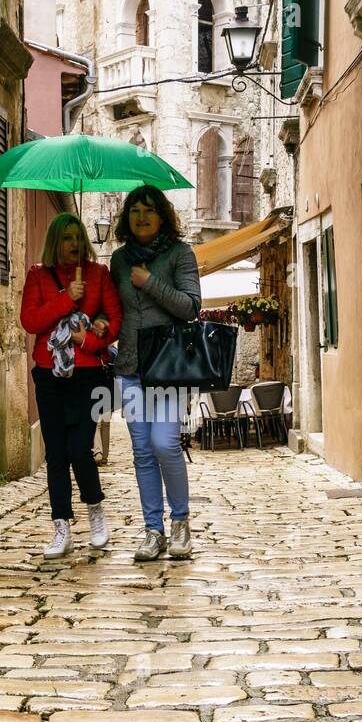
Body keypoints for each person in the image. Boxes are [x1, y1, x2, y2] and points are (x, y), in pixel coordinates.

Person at [21, 213, 122, 559]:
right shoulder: (37, 275)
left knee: (80, 448)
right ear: (55, 242)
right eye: (66, 238)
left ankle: (95, 508)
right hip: (49, 374)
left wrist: (88, 339)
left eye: (78, 238)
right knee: (56, 454)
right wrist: (66, 299)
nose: (74, 245)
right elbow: (30, 320)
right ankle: (61, 526)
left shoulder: (99, 274)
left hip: (88, 373)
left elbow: (113, 320)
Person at [110, 185, 201, 561]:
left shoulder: (181, 254)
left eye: (149, 210)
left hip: (168, 367)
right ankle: (153, 531)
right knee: (142, 452)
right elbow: (115, 312)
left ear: (162, 216)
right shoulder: (118, 260)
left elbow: (191, 306)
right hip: (130, 365)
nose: (142, 216)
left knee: (164, 444)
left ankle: (180, 522)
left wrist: (150, 283)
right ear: (126, 218)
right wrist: (99, 323)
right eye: (135, 210)